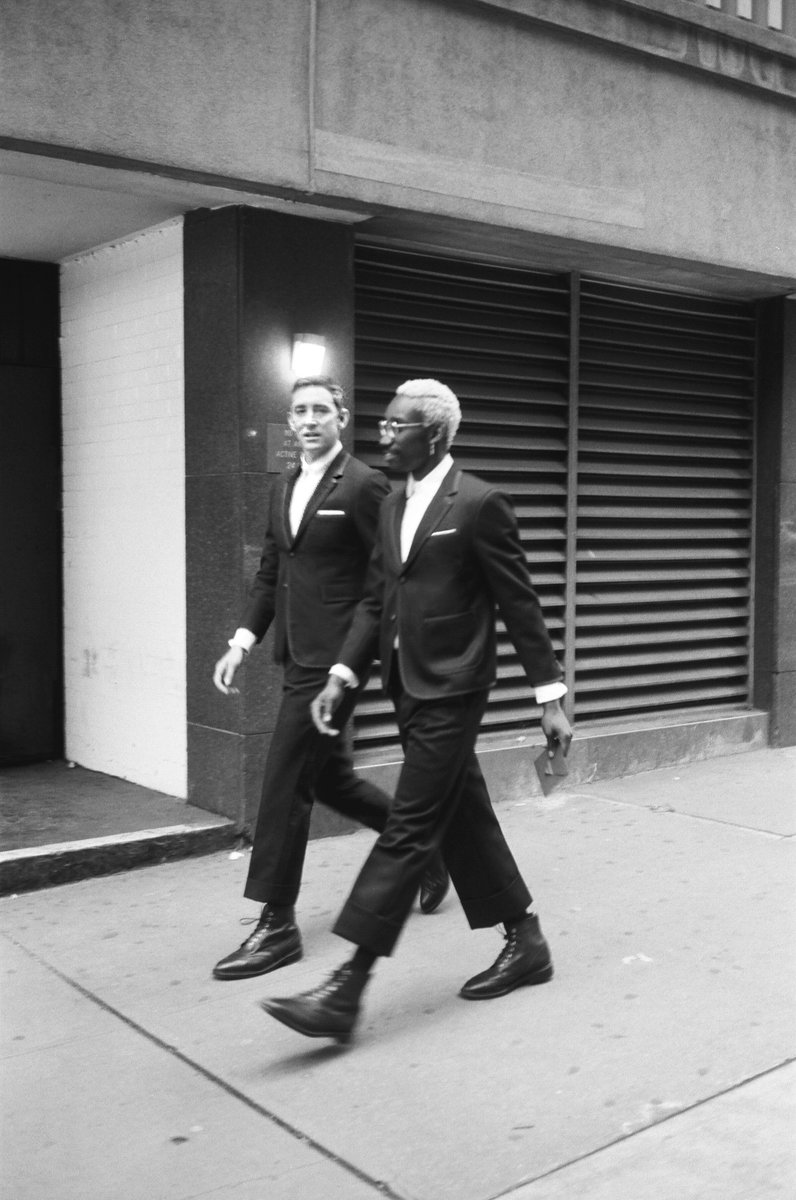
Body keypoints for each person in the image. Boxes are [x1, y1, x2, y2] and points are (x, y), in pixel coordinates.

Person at [260, 378, 573, 1044]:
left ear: (433, 434)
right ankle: (527, 940)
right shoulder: (394, 501)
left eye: (397, 426)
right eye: (384, 424)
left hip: (455, 688)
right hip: (406, 683)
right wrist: (342, 675)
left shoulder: (481, 503)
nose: (382, 434)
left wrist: (551, 697)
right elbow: (375, 599)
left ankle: (347, 988)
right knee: (463, 813)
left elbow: (519, 604)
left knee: (408, 827)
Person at [211, 376, 449, 982]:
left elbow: (387, 576)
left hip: (333, 665)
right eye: (299, 412)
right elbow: (271, 570)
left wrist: (356, 660)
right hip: (295, 652)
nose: (309, 420)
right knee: (334, 782)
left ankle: (277, 923)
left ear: (341, 417)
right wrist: (242, 641)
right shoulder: (284, 484)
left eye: (321, 410)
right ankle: (424, 853)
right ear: (289, 422)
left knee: (284, 781)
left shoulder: (366, 485)